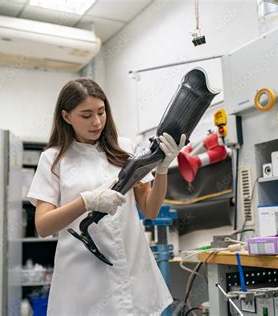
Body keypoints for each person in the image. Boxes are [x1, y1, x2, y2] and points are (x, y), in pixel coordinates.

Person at [27, 78, 186, 315]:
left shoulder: (125, 148)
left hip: (133, 271)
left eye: (101, 112)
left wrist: (162, 169)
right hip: (84, 278)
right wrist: (86, 201)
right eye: (86, 115)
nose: (97, 121)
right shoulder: (54, 158)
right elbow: (43, 225)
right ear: (66, 116)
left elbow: (150, 210)